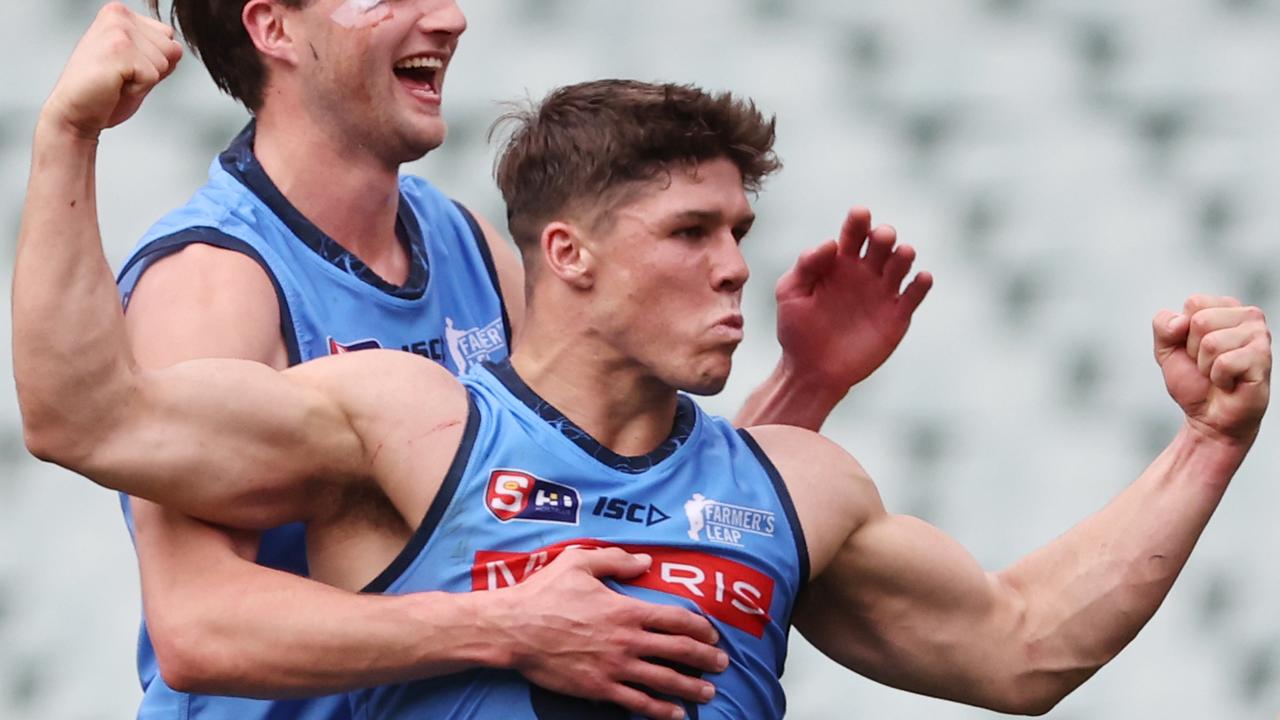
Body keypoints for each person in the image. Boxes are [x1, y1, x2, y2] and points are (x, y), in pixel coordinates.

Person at [16, 59, 1272, 720]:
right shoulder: (402, 416)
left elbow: (1020, 650)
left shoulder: (794, 478)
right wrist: (69, 134)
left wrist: (1209, 442)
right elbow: (88, 419)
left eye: (739, 228)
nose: (736, 268)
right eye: (689, 234)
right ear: (565, 256)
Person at [35, 3, 931, 720]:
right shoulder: (213, 281)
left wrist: (807, 381)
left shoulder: (463, 240)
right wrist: (507, 625)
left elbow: (647, 513)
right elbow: (198, 627)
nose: (452, 16)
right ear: (274, 30)